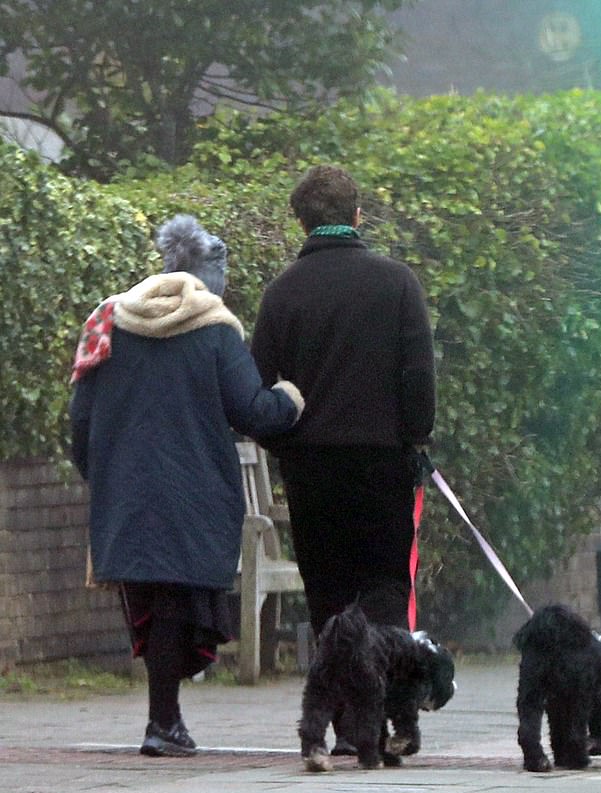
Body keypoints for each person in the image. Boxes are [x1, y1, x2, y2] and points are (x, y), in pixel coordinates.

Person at [69, 214, 304, 757]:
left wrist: (98, 474)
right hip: (193, 494)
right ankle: (162, 721)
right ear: (208, 279)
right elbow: (252, 412)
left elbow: (82, 417)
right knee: (179, 601)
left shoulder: (110, 321)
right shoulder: (215, 331)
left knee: (151, 600)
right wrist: (292, 395)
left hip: (124, 493)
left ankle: (164, 719)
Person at [251, 165, 436, 753]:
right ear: (358, 216)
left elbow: (258, 394)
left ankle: (346, 730)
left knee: (330, 597)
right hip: (383, 463)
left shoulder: (282, 293)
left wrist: (288, 447)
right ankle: (392, 722)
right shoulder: (397, 283)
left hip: (312, 470)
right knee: (385, 589)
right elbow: (419, 380)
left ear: (299, 221)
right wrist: (411, 438)